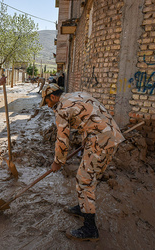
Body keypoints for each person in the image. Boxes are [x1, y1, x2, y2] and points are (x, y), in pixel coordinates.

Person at [40, 84, 124, 241]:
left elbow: (62, 140)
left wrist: (57, 161)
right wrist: (86, 139)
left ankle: (90, 229)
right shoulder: (77, 95)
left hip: (101, 141)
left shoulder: (62, 108)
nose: (47, 106)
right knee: (86, 176)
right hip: (109, 135)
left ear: (52, 97)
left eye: (46, 102)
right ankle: (83, 207)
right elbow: (92, 115)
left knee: (85, 180)